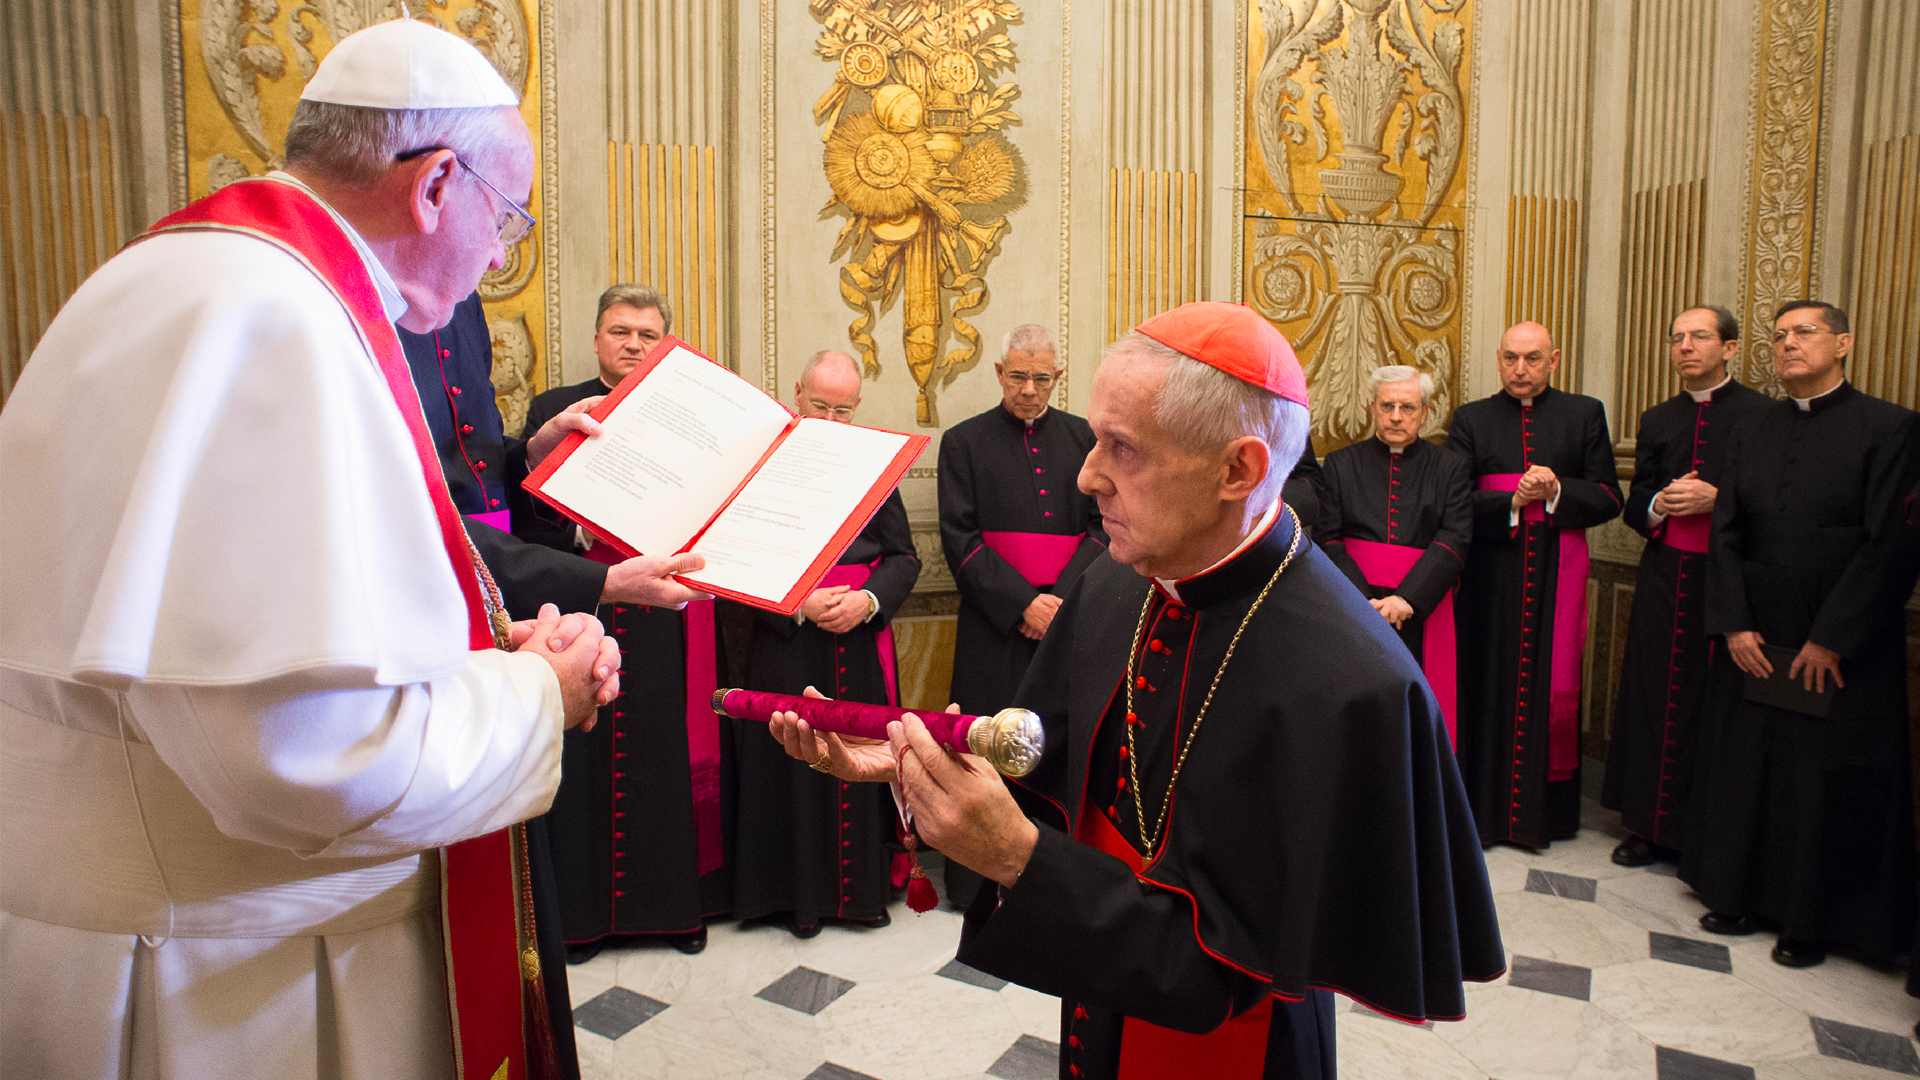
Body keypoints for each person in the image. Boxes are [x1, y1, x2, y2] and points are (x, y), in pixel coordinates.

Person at [0, 20, 640, 1078]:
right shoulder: (278, 321)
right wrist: (537, 692)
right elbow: (303, 760)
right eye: (506, 217)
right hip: (228, 983)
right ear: (437, 186)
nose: (498, 254)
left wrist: (476, 655)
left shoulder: (182, 274)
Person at [770, 303, 1504, 1080]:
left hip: (1239, 1047)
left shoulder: (1358, 684)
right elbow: (1048, 761)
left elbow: (1236, 961)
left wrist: (1018, 859)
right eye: (1094, 440)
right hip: (1103, 991)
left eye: (1122, 447)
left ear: (1237, 470)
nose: (1087, 476)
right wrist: (921, 759)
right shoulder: (1116, 583)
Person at [1683, 300, 1920, 969]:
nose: (1788, 343)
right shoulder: (1753, 425)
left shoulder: (1892, 427)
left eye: (1804, 332)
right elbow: (1727, 530)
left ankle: (1810, 922)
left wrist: (1832, 638)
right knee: (1750, 769)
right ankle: (1738, 895)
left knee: (1819, 783)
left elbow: (1891, 545)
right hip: (1756, 635)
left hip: (1837, 638)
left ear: (1843, 343)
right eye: (1780, 334)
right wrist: (1734, 622)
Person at [512, 284, 729, 961]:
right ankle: (581, 920)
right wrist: (578, 532)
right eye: (620, 331)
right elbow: (528, 518)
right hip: (583, 601)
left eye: (647, 334)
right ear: (597, 339)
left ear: (664, 343)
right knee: (582, 763)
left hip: (661, 609)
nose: (633, 344)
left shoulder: (687, 415)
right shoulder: (555, 410)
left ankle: (670, 913)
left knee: (659, 755)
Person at [731, 350, 922, 938]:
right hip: (786, 644)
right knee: (788, 766)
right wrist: (798, 604)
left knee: (857, 758)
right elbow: (735, 559)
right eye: (820, 407)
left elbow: (904, 557)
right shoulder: (762, 460)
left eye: (844, 411)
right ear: (797, 394)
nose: (832, 421)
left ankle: (856, 895)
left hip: (855, 642)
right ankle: (791, 900)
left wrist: (868, 602)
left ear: (857, 406)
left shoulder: (875, 465)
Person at [1601, 307, 1771, 868]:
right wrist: (1657, 504)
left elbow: (1781, 503)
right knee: (1655, 694)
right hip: (1663, 575)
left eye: (1699, 336)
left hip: (1730, 581)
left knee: (1716, 703)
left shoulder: (1763, 416)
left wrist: (1718, 499)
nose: (1686, 347)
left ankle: (1705, 832)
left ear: (1730, 348)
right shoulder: (1658, 418)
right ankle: (1647, 826)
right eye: (1677, 338)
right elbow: (1635, 505)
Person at [1447, 322, 1622, 849]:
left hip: (1556, 574)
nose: (1520, 369)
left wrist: (1557, 491)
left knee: (1549, 684)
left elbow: (1610, 497)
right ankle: (1481, 812)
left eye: (1533, 358)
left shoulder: (1584, 413)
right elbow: (1453, 502)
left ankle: (1546, 817)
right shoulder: (1471, 418)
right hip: (1490, 579)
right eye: (1511, 358)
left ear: (1554, 359)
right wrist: (1514, 501)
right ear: (1499, 359)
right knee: (1487, 683)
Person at [1316, 364, 1472, 743]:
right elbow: (1328, 539)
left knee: (1415, 715)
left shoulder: (1450, 467)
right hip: (1355, 604)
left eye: (1408, 407)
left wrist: (1408, 600)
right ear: (1372, 408)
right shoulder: (1340, 464)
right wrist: (1361, 602)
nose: (1396, 416)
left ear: (1425, 411)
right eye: (1387, 406)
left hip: (1422, 608)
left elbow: (1456, 537)